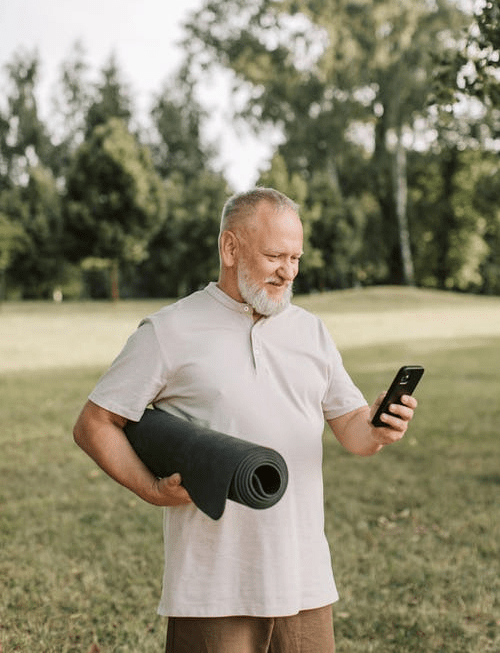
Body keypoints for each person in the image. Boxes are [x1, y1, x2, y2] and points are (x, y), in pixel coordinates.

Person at [73, 187, 418, 653]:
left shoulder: (310, 331)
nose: (288, 271)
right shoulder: (169, 330)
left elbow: (353, 429)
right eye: (275, 255)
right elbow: (95, 423)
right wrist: (150, 489)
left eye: (296, 257)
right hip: (212, 589)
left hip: (305, 583)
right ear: (230, 248)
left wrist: (378, 427)